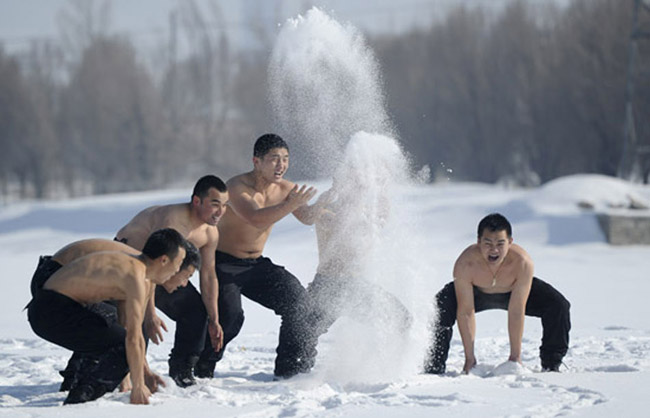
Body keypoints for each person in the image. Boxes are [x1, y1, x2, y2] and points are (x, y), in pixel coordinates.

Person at [194, 133, 318, 379]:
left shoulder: (286, 189)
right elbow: (255, 217)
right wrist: (291, 204)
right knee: (230, 318)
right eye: (274, 159)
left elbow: (308, 217)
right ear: (256, 161)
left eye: (285, 159)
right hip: (223, 263)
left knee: (299, 303)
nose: (281, 165)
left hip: (256, 265)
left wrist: (328, 202)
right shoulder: (236, 187)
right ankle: (199, 368)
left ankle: (290, 370)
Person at [27, 228, 186, 405]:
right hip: (51, 309)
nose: (177, 270)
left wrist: (137, 376)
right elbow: (132, 338)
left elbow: (126, 327)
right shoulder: (136, 276)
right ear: (163, 260)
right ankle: (79, 401)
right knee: (121, 344)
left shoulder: (135, 269)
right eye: (178, 263)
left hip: (50, 307)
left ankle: (80, 386)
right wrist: (139, 386)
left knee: (113, 333)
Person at [115, 175, 228, 387]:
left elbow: (208, 274)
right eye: (215, 205)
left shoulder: (210, 232)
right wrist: (151, 315)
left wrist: (214, 319)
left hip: (166, 273)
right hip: (129, 267)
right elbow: (150, 269)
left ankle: (182, 369)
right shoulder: (173, 222)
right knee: (133, 322)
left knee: (196, 311)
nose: (220, 212)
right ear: (197, 201)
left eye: (224, 205)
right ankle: (92, 372)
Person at [424, 213, 571, 375]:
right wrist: (469, 358)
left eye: (500, 243)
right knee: (438, 309)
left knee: (558, 305)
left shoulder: (522, 262)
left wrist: (515, 357)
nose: (494, 250)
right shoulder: (465, 263)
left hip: (512, 292)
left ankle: (552, 364)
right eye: (488, 243)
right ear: (478, 241)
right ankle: (434, 366)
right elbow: (466, 311)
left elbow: (517, 309)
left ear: (510, 242)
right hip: (476, 293)